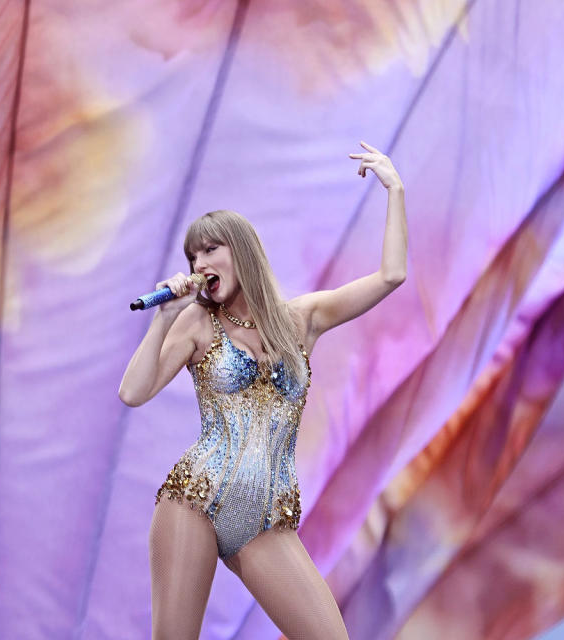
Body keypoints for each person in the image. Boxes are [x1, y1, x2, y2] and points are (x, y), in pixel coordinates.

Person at [118, 141, 407, 639]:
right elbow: (133, 392)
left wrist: (395, 190)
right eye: (192, 253)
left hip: (266, 518)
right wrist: (162, 320)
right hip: (196, 499)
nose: (199, 260)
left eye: (210, 248)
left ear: (241, 251)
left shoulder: (301, 320)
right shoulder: (195, 323)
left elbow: (391, 276)